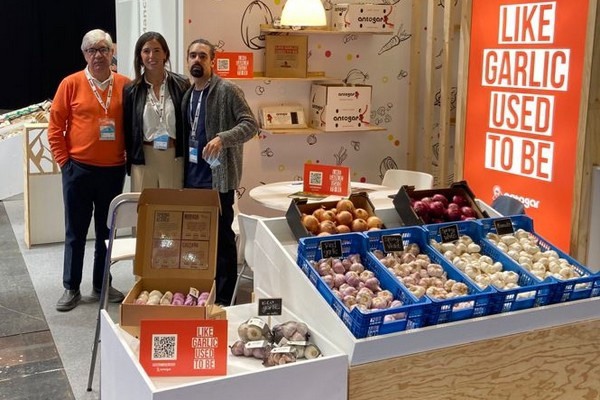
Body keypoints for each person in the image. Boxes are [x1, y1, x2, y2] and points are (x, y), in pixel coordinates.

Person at [48, 29, 130, 312]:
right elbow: (55, 128)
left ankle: (102, 284)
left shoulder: (125, 85)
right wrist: (65, 163)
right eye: (92, 50)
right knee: (76, 232)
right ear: (84, 54)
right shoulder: (70, 84)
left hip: (113, 171)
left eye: (103, 49)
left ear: (111, 53)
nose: (98, 55)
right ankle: (71, 287)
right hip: (78, 171)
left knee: (106, 233)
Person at [182, 38, 259, 305]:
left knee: (222, 239)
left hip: (218, 181)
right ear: (187, 60)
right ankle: (204, 290)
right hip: (192, 179)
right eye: (193, 55)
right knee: (198, 239)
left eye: (203, 56)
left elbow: (251, 125)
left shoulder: (227, 90)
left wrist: (222, 138)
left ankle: (225, 298)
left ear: (212, 61)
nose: (197, 60)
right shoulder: (188, 95)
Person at [123, 32, 190, 190]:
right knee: (144, 204)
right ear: (140, 56)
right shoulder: (131, 89)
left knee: (172, 203)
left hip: (174, 157)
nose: (151, 56)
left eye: (157, 50)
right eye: (146, 51)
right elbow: (128, 128)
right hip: (144, 158)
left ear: (165, 54)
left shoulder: (182, 84)